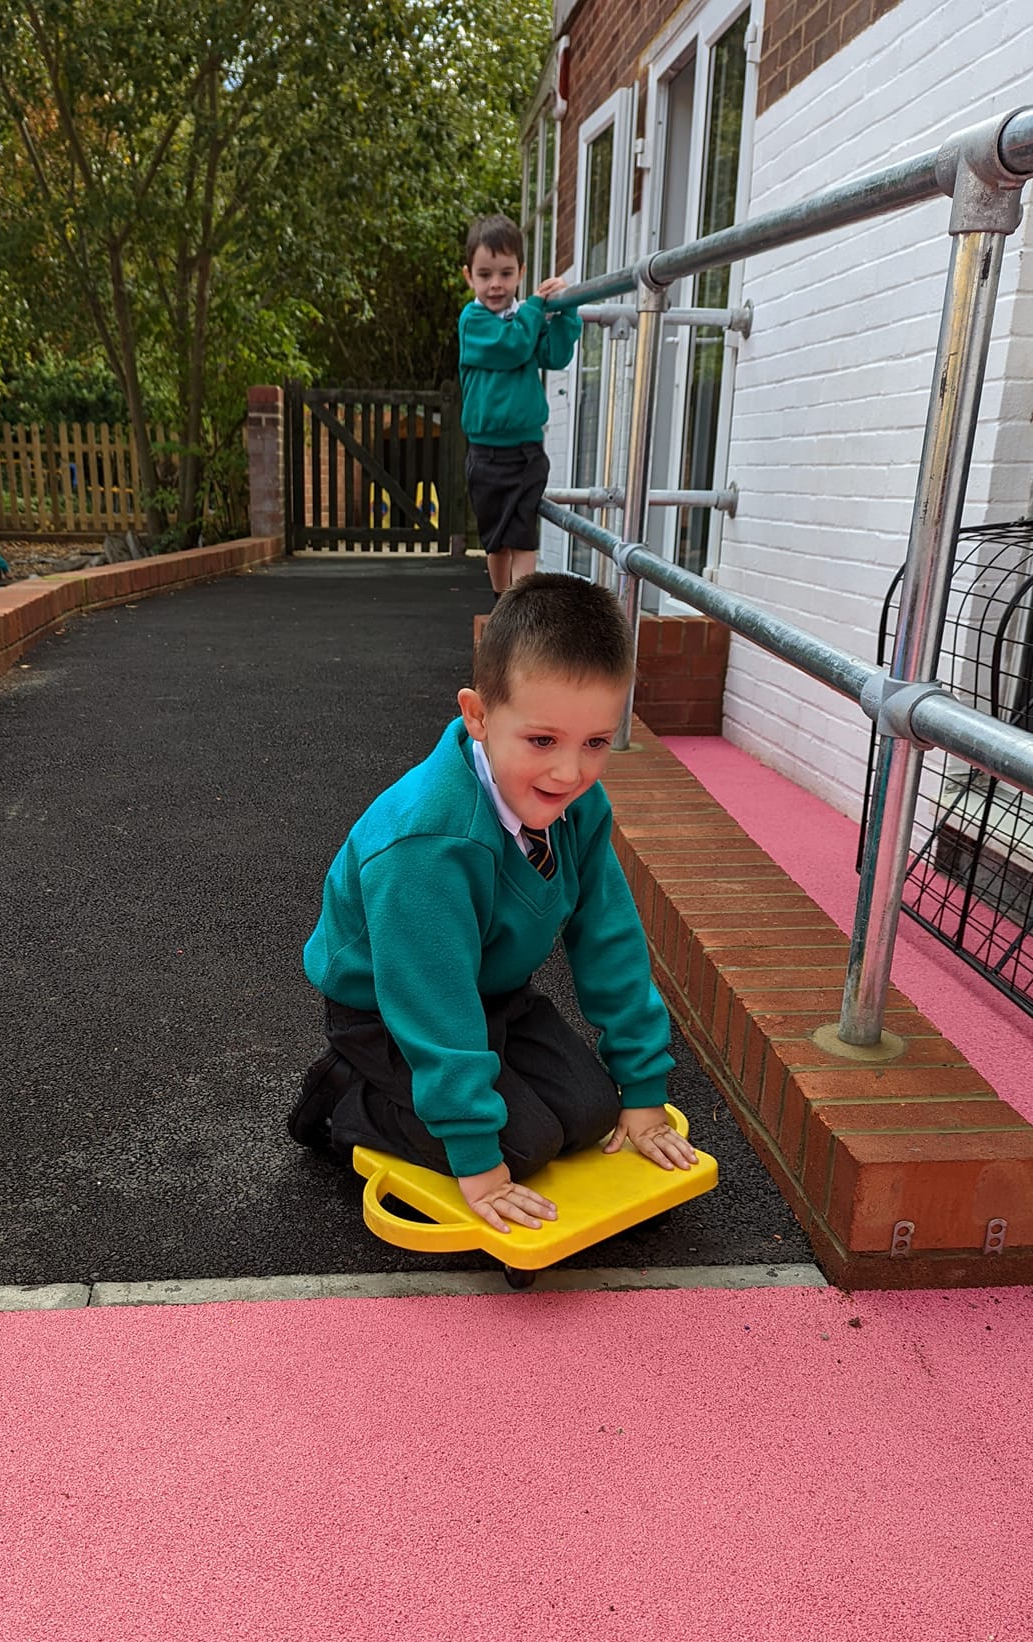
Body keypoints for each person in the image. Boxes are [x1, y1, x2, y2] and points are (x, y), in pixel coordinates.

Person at [289, 573, 695, 1236]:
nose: (570, 773)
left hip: (491, 994)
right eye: (543, 741)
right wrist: (476, 1161)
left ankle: (476, 1092)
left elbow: (609, 939)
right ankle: (345, 1100)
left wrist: (644, 1088)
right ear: (477, 716)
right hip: (387, 1011)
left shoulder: (578, 806)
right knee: (521, 1146)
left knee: (594, 1112)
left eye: (595, 742)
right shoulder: (426, 843)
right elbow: (432, 1001)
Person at [458, 214, 581, 597]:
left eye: (506, 273)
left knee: (523, 536)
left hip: (526, 451)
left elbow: (554, 355)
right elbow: (511, 346)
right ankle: (502, 602)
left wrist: (567, 312)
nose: (495, 284)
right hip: (486, 453)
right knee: (496, 540)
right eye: (485, 275)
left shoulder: (525, 319)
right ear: (469, 277)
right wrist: (534, 308)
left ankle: (520, 610)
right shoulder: (474, 320)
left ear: (521, 272)